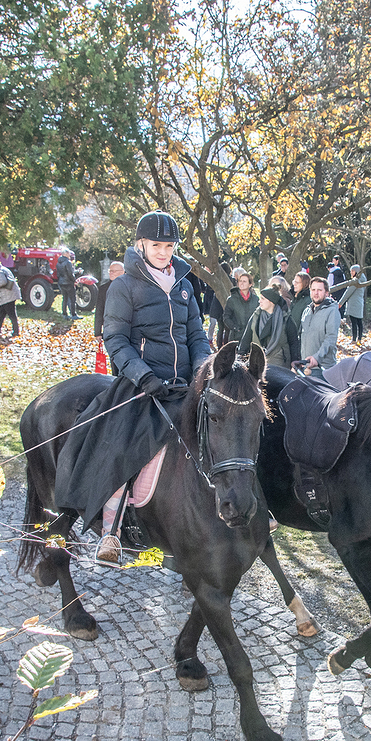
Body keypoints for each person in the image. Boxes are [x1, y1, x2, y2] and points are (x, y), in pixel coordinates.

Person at [95, 210, 211, 563]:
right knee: (123, 444)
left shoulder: (185, 286)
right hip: (141, 383)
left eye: (169, 246)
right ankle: (111, 531)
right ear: (140, 245)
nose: (163, 252)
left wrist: (202, 369)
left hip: (184, 384)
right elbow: (115, 339)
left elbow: (197, 336)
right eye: (157, 245)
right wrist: (143, 375)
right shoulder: (124, 286)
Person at [238, 285, 300, 368]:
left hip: (280, 365)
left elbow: (294, 342)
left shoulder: (285, 318)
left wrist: (294, 362)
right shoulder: (256, 316)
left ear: (271, 301)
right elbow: (246, 339)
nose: (259, 301)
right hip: (258, 363)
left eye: (263, 299)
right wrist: (240, 357)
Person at [298, 277, 340, 374]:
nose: (316, 293)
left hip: (323, 368)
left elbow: (331, 338)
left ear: (326, 293)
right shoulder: (307, 311)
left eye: (319, 290)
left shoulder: (332, 311)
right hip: (306, 367)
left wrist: (317, 358)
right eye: (313, 290)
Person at [93, 260, 124, 375]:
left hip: (126, 328)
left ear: (123, 272)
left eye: (114, 271)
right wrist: (97, 332)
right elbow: (99, 310)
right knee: (114, 357)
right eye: (110, 271)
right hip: (110, 329)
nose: (111, 273)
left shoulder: (129, 286)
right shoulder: (103, 289)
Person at [222, 268, 257, 350]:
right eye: (240, 281)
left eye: (244, 281)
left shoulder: (256, 299)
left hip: (251, 337)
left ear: (250, 284)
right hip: (236, 337)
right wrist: (235, 328)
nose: (242, 283)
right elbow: (226, 317)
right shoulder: (232, 299)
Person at [0, 257, 20, 338]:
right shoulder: (4, 269)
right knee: (1, 312)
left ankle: (16, 331)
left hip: (8, 296)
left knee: (11, 314)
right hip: (9, 295)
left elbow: (3, 282)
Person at [338, 263, 367, 343]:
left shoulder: (355, 281)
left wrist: (340, 302)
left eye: (352, 271)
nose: (351, 272)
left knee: (354, 323)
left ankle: (354, 339)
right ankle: (359, 339)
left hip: (354, 304)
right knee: (359, 322)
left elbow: (348, 292)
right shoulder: (363, 280)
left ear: (356, 271)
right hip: (360, 303)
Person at [57, 250, 78, 319]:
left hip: (61, 282)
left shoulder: (58, 263)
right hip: (68, 282)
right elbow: (70, 273)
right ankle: (73, 314)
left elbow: (58, 274)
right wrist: (74, 280)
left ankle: (64, 314)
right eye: (69, 253)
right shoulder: (68, 262)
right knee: (72, 299)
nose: (70, 255)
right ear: (65, 254)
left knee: (65, 299)